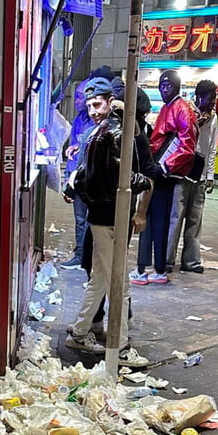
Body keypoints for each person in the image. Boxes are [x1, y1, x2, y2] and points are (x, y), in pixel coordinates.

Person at [66, 77, 152, 366]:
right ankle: (121, 345)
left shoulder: (98, 133)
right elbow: (119, 177)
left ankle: (80, 331)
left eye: (96, 104)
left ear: (110, 102)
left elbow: (83, 179)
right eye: (89, 105)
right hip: (111, 215)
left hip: (102, 216)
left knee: (101, 277)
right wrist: (144, 182)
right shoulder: (112, 133)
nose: (92, 110)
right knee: (119, 284)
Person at [131, 70, 197, 285]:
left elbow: (187, 146)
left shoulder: (182, 109)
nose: (164, 89)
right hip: (157, 169)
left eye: (168, 85)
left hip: (164, 173)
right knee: (151, 220)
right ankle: (152, 267)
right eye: (162, 85)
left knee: (156, 220)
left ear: (177, 87)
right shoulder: (170, 108)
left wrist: (165, 166)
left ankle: (155, 267)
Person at [166, 79, 218, 273]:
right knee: (176, 217)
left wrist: (210, 174)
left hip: (200, 174)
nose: (213, 103)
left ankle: (191, 261)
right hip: (182, 172)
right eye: (210, 98)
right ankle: (167, 260)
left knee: (195, 220)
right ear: (199, 97)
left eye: (214, 99)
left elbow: (212, 147)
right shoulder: (184, 111)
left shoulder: (213, 118)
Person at [61, 80, 90, 269]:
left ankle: (88, 255)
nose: (76, 101)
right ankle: (81, 254)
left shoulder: (100, 122)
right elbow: (72, 153)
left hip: (93, 178)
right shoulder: (79, 120)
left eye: (80, 97)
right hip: (78, 178)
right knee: (80, 219)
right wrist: (67, 179)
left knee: (91, 221)